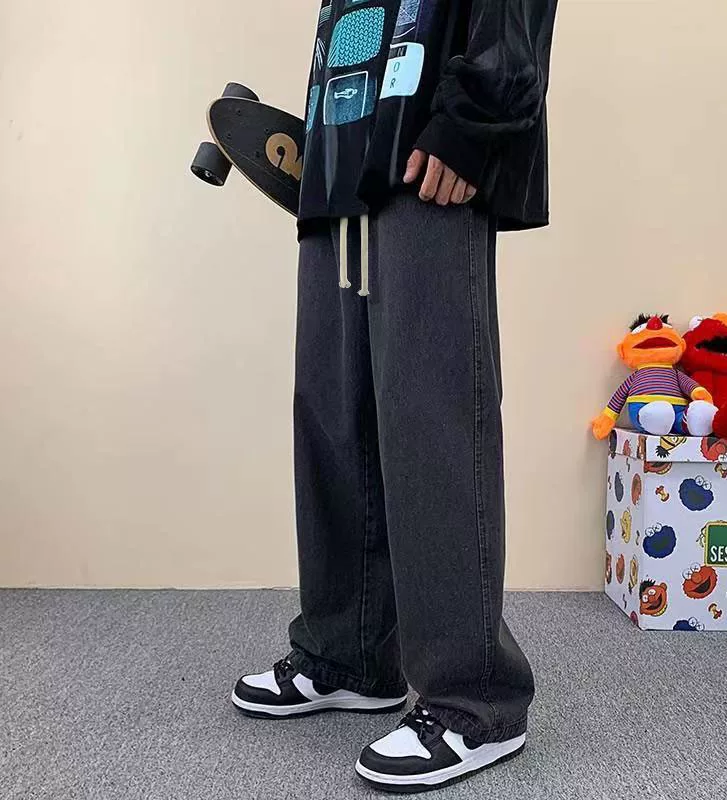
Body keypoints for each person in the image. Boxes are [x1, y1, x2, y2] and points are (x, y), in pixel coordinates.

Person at [231, 0, 558, 791]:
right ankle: (348, 652)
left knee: (430, 415)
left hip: (430, 149)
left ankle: (476, 700)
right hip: (341, 156)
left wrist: (474, 123)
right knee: (332, 412)